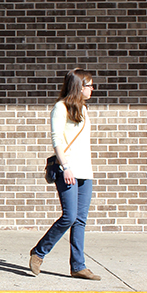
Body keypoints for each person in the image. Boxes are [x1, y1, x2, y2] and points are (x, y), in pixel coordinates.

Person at [29, 68, 100, 281]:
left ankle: (78, 266)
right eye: (89, 85)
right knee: (69, 216)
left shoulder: (84, 109)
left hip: (85, 171)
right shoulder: (60, 108)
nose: (92, 89)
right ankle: (38, 252)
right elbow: (56, 139)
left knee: (80, 220)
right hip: (66, 170)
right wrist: (66, 166)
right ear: (79, 86)